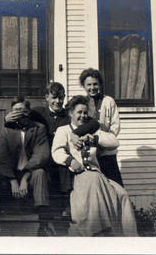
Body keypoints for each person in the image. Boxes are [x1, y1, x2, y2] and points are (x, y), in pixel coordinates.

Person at [51, 95, 137, 236]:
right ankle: (100, 231)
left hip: (96, 173)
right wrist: (70, 160)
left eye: (85, 112)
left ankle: (127, 236)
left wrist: (96, 138)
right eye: (79, 112)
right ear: (71, 113)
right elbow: (56, 151)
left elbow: (114, 142)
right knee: (94, 181)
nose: (83, 116)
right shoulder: (64, 130)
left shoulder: (93, 129)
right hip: (77, 174)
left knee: (122, 194)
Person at [0, 96, 53, 236]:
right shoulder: (7, 131)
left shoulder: (39, 128)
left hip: (31, 173)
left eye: (21, 110)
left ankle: (43, 224)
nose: (18, 113)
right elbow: (2, 158)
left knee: (40, 173)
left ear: (28, 111)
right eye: (15, 110)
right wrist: (13, 180)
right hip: (12, 174)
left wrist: (25, 177)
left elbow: (41, 155)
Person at [79, 68, 124, 187]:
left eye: (95, 84)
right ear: (83, 85)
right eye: (88, 84)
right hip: (89, 152)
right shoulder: (82, 103)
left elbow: (115, 125)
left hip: (107, 152)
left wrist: (104, 137)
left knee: (114, 185)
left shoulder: (108, 101)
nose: (92, 87)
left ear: (100, 84)